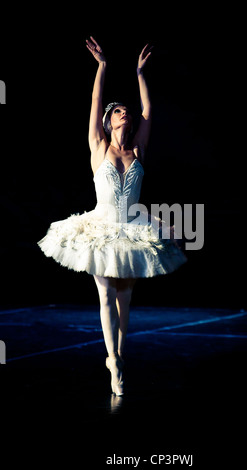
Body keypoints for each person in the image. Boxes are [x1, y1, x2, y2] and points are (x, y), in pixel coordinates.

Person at [38, 38, 187, 396]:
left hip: (133, 228)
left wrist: (139, 74)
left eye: (125, 111)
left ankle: (119, 355)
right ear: (108, 121)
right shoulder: (98, 147)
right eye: (118, 111)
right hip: (101, 227)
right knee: (105, 295)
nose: (125, 113)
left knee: (125, 299)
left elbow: (149, 111)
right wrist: (102, 67)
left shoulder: (138, 149)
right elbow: (94, 102)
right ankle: (114, 364)